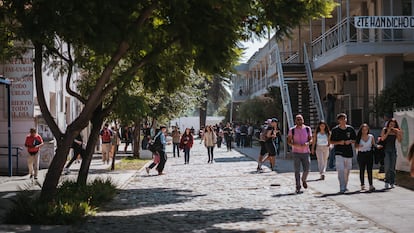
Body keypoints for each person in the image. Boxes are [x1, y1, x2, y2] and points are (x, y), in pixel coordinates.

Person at [330, 113, 356, 194]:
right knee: (340, 169)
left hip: (348, 152)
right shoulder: (335, 130)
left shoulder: (350, 129)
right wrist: (339, 142)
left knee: (347, 170)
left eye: (344, 119)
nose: (343, 120)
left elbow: (355, 140)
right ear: (338, 120)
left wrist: (350, 141)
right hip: (339, 152)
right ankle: (342, 186)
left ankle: (345, 185)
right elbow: (331, 141)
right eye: (341, 119)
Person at [288, 115, 312, 194]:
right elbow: (289, 141)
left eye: (300, 119)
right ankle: (298, 186)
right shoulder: (292, 130)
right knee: (297, 170)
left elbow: (311, 139)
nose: (299, 121)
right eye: (297, 120)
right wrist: (295, 145)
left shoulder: (307, 129)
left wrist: (308, 143)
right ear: (295, 121)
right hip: (296, 152)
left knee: (307, 169)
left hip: (306, 152)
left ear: (303, 120)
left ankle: (304, 179)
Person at [380, 118, 402, 189]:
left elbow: (399, 140)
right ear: (388, 124)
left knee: (392, 166)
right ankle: (386, 181)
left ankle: (392, 182)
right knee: (387, 166)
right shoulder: (385, 129)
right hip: (386, 150)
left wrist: (398, 133)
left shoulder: (396, 131)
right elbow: (382, 138)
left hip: (393, 150)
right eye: (391, 123)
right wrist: (388, 132)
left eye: (393, 124)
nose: (392, 125)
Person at [355, 123, 376, 192]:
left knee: (369, 170)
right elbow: (355, 146)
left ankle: (371, 185)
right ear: (361, 130)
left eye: (366, 129)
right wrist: (359, 146)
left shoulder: (371, 136)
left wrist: (377, 146)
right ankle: (362, 184)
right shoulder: (359, 137)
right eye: (363, 130)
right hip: (361, 154)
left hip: (369, 154)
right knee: (362, 170)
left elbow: (373, 145)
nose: (364, 131)